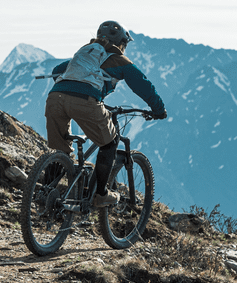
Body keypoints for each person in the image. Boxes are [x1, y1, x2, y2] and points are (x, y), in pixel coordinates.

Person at [45, 20, 166, 207]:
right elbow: (143, 85)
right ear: (121, 44)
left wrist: (69, 91)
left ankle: (43, 194)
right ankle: (100, 195)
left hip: (55, 98)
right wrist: (158, 109)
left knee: (62, 150)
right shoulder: (120, 60)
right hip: (85, 101)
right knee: (110, 143)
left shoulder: (86, 54)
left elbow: (56, 71)